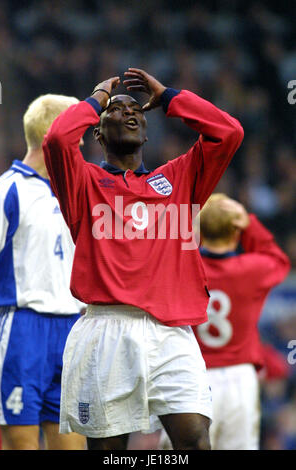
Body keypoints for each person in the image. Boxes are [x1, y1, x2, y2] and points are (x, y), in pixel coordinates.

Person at [42, 68, 244, 450]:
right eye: (117, 111)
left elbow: (229, 132)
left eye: (137, 110)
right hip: (106, 330)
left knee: (197, 443)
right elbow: (56, 140)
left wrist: (170, 98)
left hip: (172, 333)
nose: (130, 113)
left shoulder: (182, 180)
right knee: (108, 452)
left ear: (147, 132)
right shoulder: (82, 183)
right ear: (97, 133)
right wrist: (97, 100)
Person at [0, 94, 87, 450]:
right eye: (76, 132)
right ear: (55, 134)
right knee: (22, 443)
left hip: (73, 328)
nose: (80, 142)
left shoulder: (78, 191)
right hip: (22, 329)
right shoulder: (7, 191)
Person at [192, 194, 291, 450]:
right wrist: (249, 221)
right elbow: (279, 260)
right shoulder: (254, 269)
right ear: (236, 231)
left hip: (192, 374)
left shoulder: (185, 267)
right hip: (240, 377)